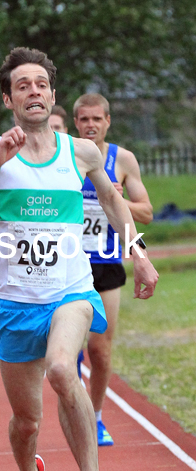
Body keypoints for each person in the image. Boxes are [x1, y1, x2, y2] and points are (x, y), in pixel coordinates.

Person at [0, 46, 158, 471]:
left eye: (41, 84)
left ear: (52, 95)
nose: (33, 92)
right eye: (23, 85)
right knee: (26, 422)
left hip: (71, 291)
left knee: (64, 369)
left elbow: (113, 200)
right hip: (15, 302)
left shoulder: (79, 152)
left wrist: (139, 254)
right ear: (8, 98)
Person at [73, 93, 153, 446]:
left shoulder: (122, 159)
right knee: (68, 348)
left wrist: (118, 199)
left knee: (100, 349)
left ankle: (98, 414)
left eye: (97, 119)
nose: (91, 125)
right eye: (84, 119)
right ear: (76, 122)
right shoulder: (65, 156)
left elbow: (147, 212)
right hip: (69, 261)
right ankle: (73, 409)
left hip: (106, 264)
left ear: (107, 121)